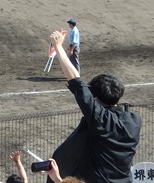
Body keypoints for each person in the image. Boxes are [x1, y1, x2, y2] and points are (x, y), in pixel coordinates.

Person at [48, 29, 141, 183]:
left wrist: (58, 47)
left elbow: (76, 82)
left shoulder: (100, 119)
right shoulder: (135, 120)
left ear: (95, 98)